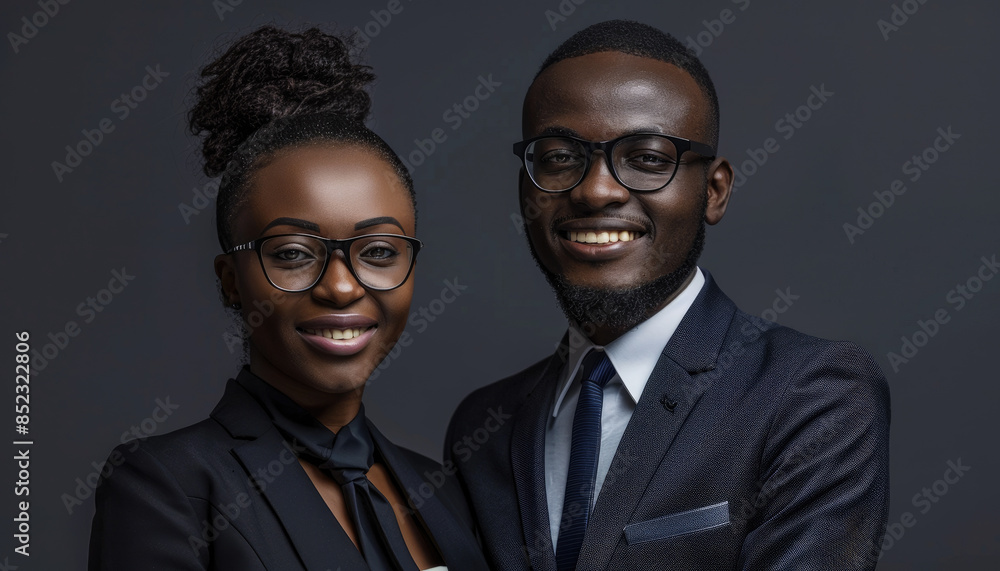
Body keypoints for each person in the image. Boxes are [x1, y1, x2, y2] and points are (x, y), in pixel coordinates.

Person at [445, 19, 889, 570]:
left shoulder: (812, 395)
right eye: (559, 157)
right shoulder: (483, 425)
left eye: (648, 158)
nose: (596, 189)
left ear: (715, 191)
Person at [89, 26, 488, 571]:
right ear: (231, 279)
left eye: (377, 251)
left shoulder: (444, 491)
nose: (343, 287)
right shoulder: (170, 486)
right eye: (295, 254)